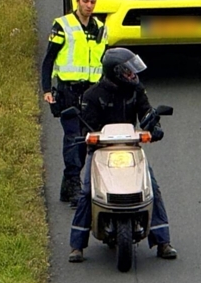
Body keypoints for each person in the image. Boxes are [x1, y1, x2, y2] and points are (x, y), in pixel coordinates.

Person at [68, 48, 177, 263]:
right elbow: (85, 127)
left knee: (152, 188)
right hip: (101, 151)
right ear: (115, 72)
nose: (132, 76)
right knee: (88, 191)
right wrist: (88, 137)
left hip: (131, 148)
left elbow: (146, 112)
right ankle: (77, 245)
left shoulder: (136, 91)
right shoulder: (92, 96)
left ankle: (163, 241)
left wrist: (154, 125)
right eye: (128, 72)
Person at [41, 0, 107, 205]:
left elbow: (103, 60)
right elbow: (49, 59)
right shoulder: (63, 25)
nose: (89, 6)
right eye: (85, 1)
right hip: (68, 91)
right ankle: (73, 185)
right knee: (73, 139)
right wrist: (47, 90)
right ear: (77, 1)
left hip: (91, 94)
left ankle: (68, 187)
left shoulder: (100, 28)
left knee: (88, 140)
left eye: (92, 2)